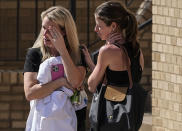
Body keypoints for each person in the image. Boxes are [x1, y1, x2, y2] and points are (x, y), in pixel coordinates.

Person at [82, 1, 145, 131]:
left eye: (99, 26)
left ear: (113, 26)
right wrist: (90, 62)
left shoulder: (108, 51)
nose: (95, 29)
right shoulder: (136, 49)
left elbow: (92, 85)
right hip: (129, 119)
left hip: (109, 119)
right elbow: (116, 80)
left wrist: (106, 46)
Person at [23, 6, 87, 131]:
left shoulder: (78, 53)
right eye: (43, 28)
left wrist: (62, 50)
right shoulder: (35, 54)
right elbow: (30, 93)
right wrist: (60, 82)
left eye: (51, 30)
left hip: (73, 121)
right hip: (45, 122)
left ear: (64, 31)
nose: (45, 34)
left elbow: (75, 82)